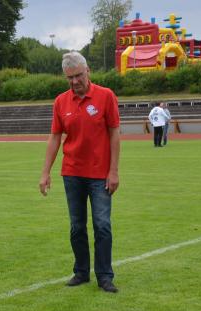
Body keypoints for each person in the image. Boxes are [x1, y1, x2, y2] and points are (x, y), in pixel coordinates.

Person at [38, 51, 121, 293]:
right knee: (77, 226)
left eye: (78, 76)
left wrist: (113, 171)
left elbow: (115, 133)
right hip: (72, 172)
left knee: (102, 225)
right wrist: (45, 173)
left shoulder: (106, 96)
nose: (74, 82)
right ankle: (81, 272)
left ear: (88, 72)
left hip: (100, 174)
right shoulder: (60, 102)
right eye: (69, 78)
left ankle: (105, 276)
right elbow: (55, 137)